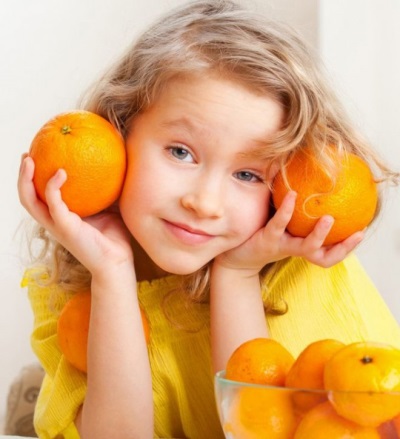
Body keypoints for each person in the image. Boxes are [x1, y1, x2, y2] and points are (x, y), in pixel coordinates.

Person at [18, 1, 400, 438]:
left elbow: (263, 430)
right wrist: (112, 273)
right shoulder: (67, 285)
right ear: (119, 132)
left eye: (247, 174)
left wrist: (238, 272)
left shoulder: (300, 273)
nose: (205, 202)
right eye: (181, 152)